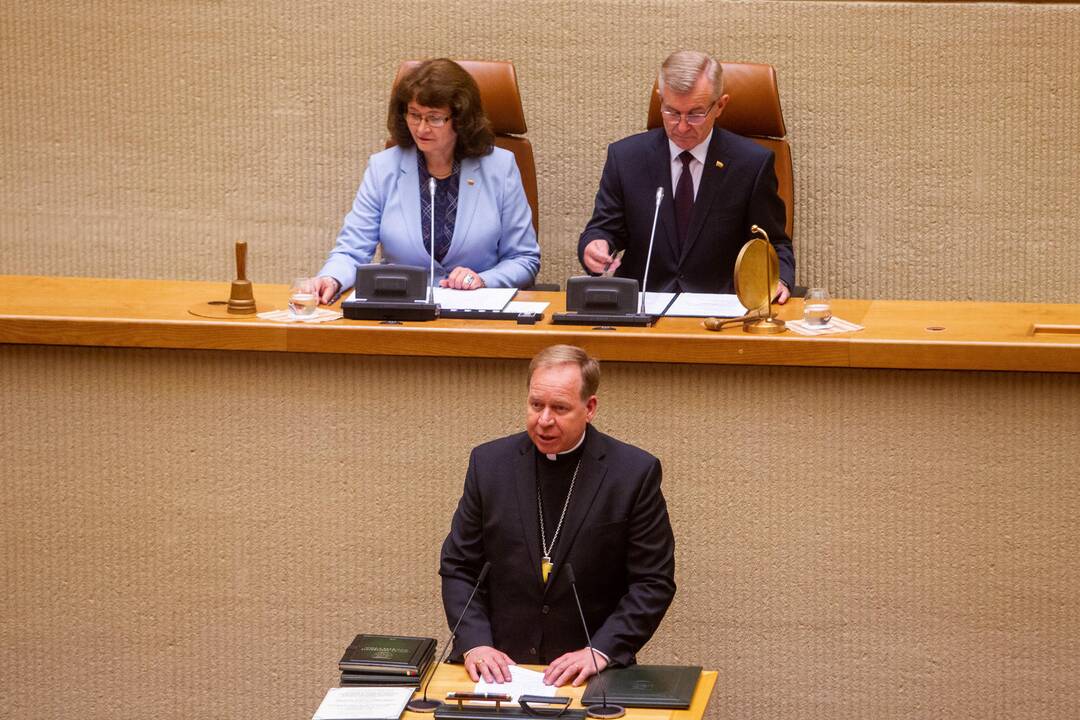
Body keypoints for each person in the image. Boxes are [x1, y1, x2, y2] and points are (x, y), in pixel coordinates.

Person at [439, 345, 676, 688]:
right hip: (497, 669)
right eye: (536, 405)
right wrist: (475, 643)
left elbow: (653, 582)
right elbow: (459, 566)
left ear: (590, 407)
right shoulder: (489, 464)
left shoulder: (632, 473)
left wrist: (602, 651)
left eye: (560, 408)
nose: (544, 420)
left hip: (588, 673)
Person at [312, 59, 540, 303]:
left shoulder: (500, 167)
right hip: (400, 310)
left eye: (434, 117)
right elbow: (351, 249)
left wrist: (484, 280)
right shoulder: (383, 168)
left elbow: (524, 259)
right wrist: (331, 278)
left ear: (460, 119)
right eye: (414, 115)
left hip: (476, 313)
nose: (421, 128)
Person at [578, 50, 794, 302]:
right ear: (660, 101)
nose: (681, 126)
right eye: (672, 112)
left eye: (695, 114)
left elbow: (774, 244)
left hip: (719, 311)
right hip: (643, 306)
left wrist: (779, 280)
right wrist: (595, 246)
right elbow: (604, 228)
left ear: (720, 105)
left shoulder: (751, 164)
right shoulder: (626, 157)